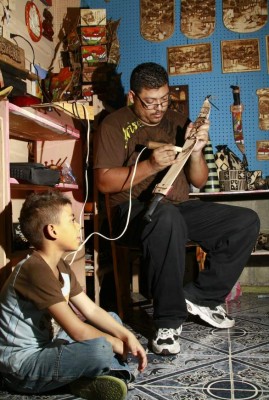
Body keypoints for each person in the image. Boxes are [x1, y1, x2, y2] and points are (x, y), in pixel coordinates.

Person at [94, 62, 260, 356]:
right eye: (150, 102)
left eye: (164, 100)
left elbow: (198, 179)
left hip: (178, 207)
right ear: (132, 96)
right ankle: (167, 323)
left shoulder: (179, 121)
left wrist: (195, 151)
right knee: (166, 217)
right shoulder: (113, 124)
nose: (158, 109)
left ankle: (202, 297)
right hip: (131, 215)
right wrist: (150, 165)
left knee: (245, 221)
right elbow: (104, 181)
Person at [0, 191, 147, 400]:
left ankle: (92, 378)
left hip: (49, 345)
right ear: (52, 231)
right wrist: (115, 343)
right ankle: (108, 374)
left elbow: (91, 310)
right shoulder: (34, 269)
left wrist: (126, 336)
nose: (78, 226)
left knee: (111, 320)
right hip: (22, 366)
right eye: (71, 220)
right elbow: (77, 331)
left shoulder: (60, 265)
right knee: (100, 349)